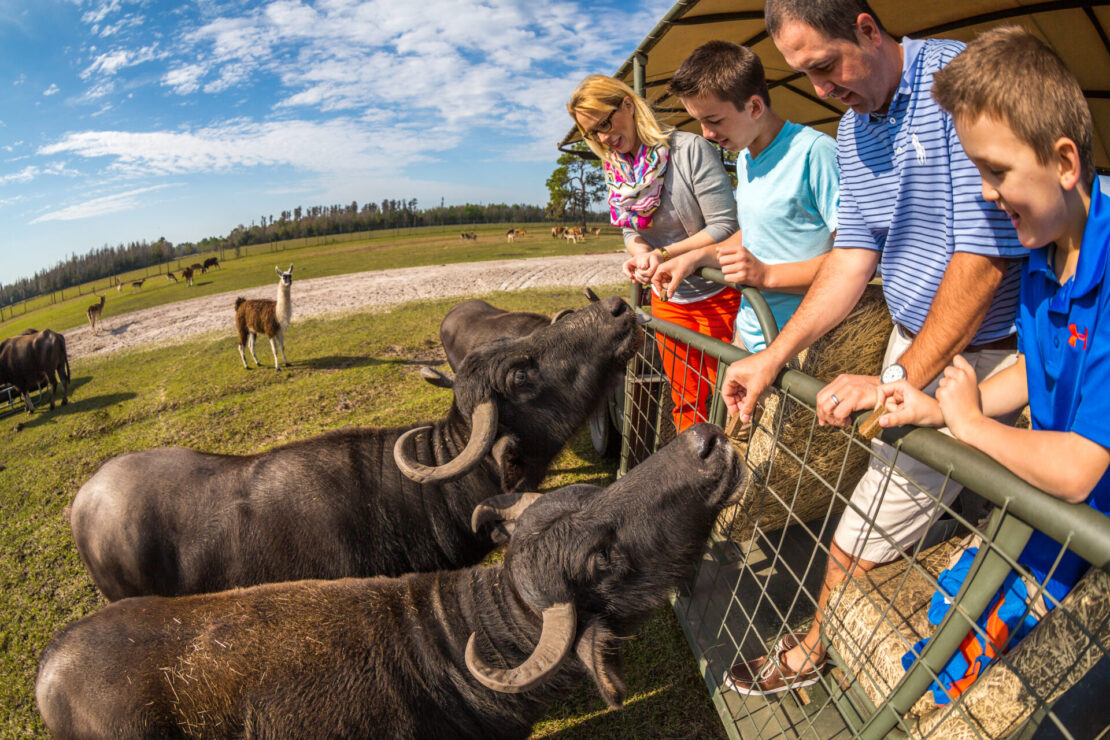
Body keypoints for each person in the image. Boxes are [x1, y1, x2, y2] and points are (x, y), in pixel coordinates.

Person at [718, 0, 1027, 697]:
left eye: (824, 66)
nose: (822, 89)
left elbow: (984, 258)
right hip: (920, 349)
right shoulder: (855, 131)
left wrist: (898, 382)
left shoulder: (962, 82)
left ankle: (817, 649)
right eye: (805, 75)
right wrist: (775, 355)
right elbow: (852, 258)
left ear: (865, 27)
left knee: (862, 527)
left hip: (984, 355)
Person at [875, 25, 1110, 704]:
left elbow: (1076, 469)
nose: (982, 193)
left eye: (996, 171)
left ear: (1064, 161)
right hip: (1055, 514)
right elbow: (1041, 371)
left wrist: (972, 429)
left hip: (1086, 524)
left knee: (964, 665)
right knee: (953, 609)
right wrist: (938, 408)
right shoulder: (1048, 239)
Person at [567, 75, 741, 432]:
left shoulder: (690, 150)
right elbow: (630, 228)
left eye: (604, 123)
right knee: (685, 399)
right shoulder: (617, 168)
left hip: (719, 296)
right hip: (670, 299)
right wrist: (641, 250)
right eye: (591, 132)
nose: (602, 138)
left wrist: (663, 252)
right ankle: (696, 479)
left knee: (728, 402)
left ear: (628, 105)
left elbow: (725, 226)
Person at [652, 40, 839, 354]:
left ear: (754, 107)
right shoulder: (745, 158)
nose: (706, 133)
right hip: (750, 335)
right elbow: (756, 235)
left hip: (805, 348)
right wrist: (694, 257)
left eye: (714, 120)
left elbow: (856, 260)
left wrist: (767, 276)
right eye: (700, 121)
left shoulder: (815, 152)